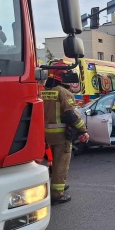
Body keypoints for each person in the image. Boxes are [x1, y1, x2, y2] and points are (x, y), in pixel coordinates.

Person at [41, 62, 90, 205]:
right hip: (60, 135)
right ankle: (57, 194)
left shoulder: (42, 91)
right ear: (60, 76)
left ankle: (57, 185)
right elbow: (71, 115)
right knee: (61, 164)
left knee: (51, 162)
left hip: (45, 134)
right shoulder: (63, 92)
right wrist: (83, 130)